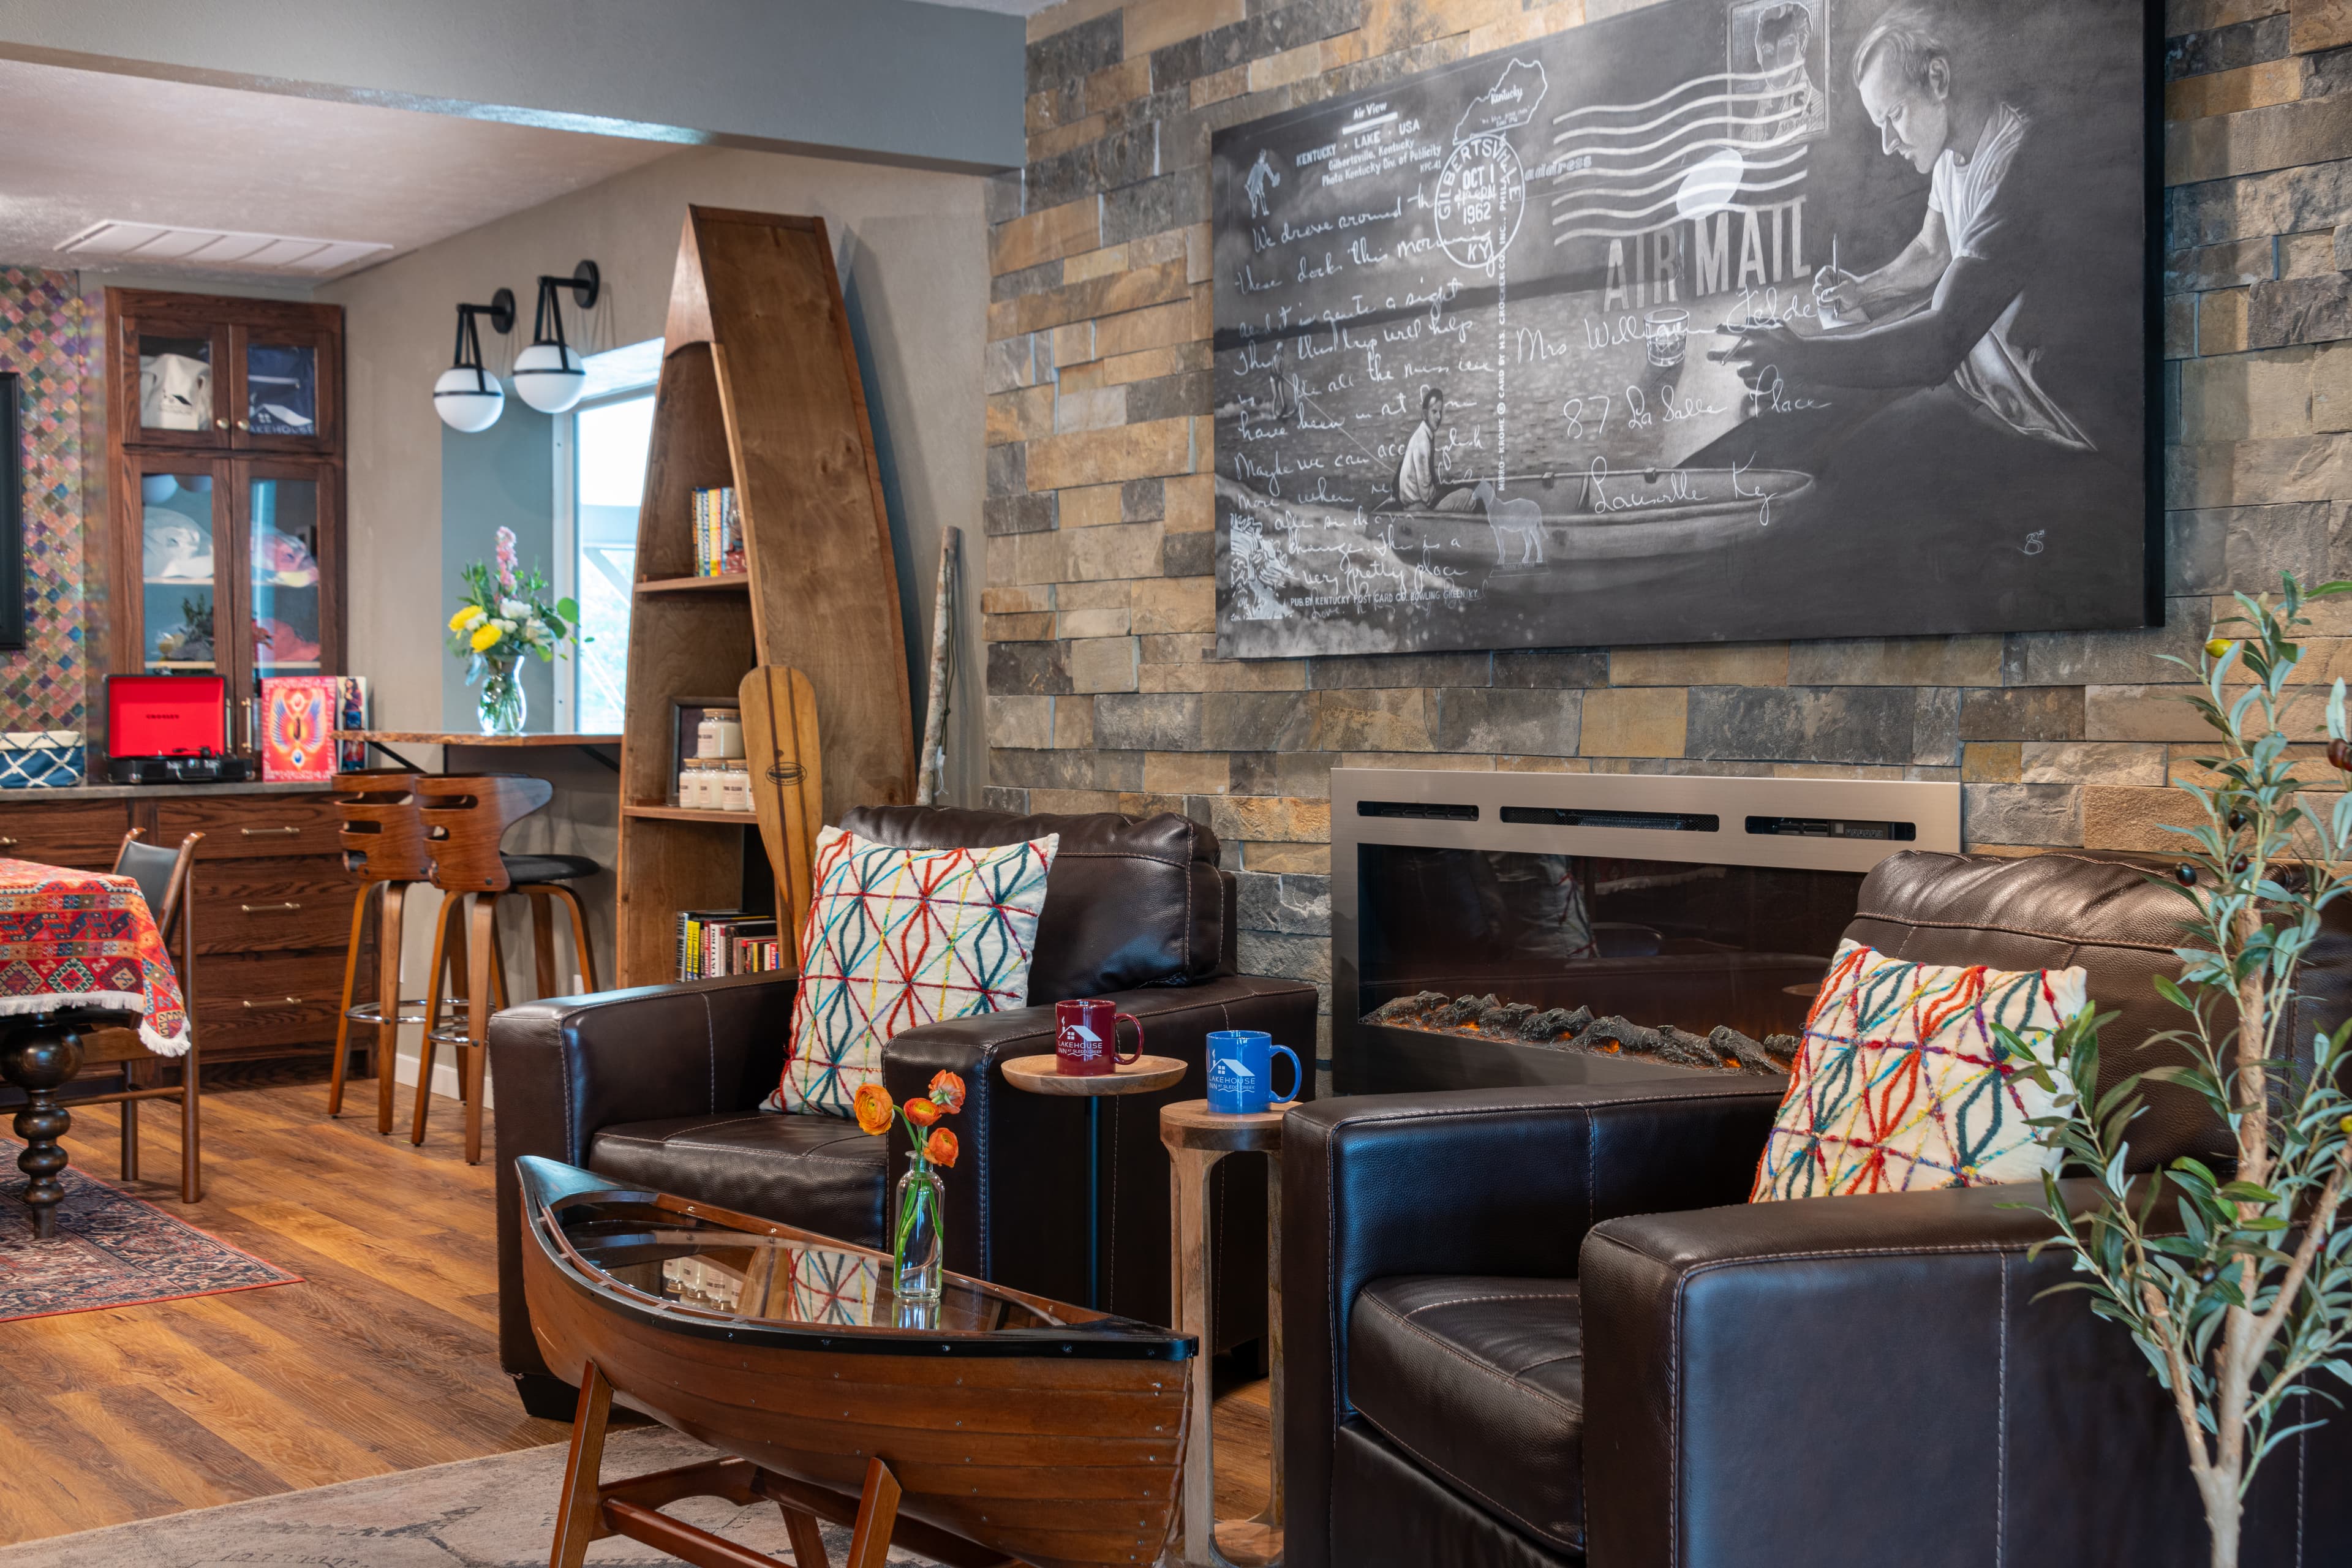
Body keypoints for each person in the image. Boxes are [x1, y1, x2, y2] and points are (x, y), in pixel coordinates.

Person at [1728, 0, 2101, 454]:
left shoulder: (2018, 162)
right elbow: (1932, 249)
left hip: (2039, 421)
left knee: (1852, 447)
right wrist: (1863, 290)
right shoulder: (1950, 155)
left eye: (1894, 116)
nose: (1888, 144)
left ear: (1938, 79)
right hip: (1984, 389)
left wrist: (1799, 355)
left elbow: (1939, 341)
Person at [1395, 387, 1444, 508]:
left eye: (1440, 412)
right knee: (1467, 497)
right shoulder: (1422, 441)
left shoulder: (1425, 435)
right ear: (1424, 414)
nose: (1439, 417)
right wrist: (1441, 494)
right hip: (1418, 507)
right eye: (1434, 412)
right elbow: (1426, 495)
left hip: (1418, 503)